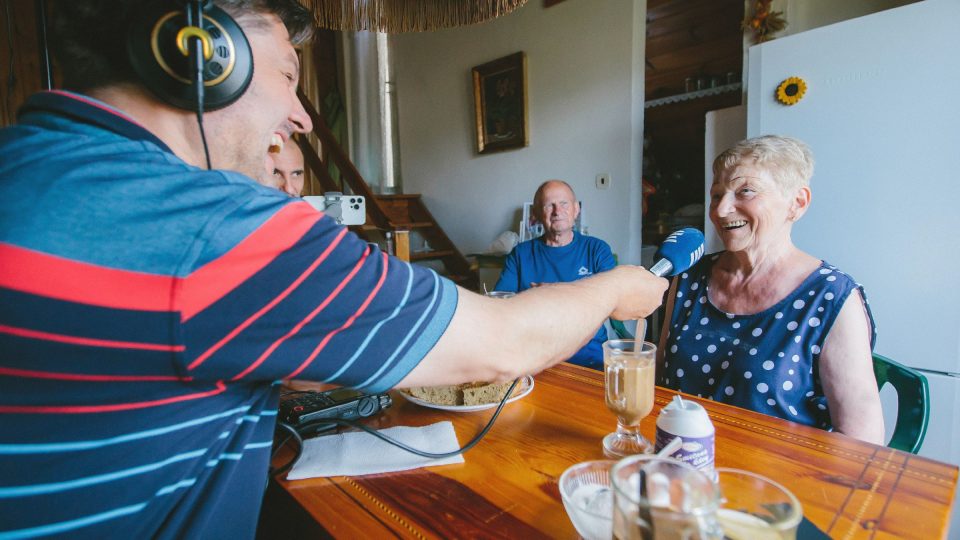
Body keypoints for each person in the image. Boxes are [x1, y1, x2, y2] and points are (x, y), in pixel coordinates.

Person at [0, 2, 668, 538]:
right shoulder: (214, 224)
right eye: (288, 75)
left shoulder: (27, 161)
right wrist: (621, 285)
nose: (299, 116)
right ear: (201, 50)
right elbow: (504, 344)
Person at [657, 135, 884, 444]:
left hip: (776, 482)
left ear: (797, 203)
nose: (721, 210)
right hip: (679, 468)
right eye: (716, 195)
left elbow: (862, 440)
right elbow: (658, 386)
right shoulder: (688, 279)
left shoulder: (830, 297)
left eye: (745, 191)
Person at [494, 180, 617, 368]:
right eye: (549, 205)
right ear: (535, 214)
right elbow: (501, 307)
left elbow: (611, 301)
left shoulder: (597, 249)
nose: (557, 211)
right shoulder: (520, 254)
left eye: (564, 203)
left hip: (587, 351)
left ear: (576, 209)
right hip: (533, 352)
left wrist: (553, 293)